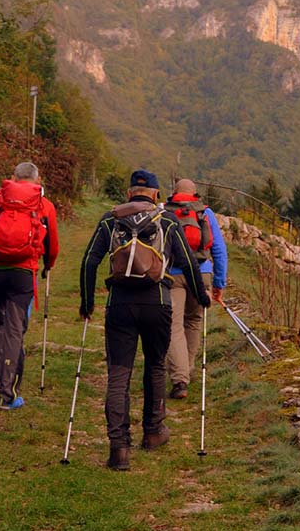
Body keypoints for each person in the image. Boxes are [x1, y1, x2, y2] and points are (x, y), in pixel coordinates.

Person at [79, 170, 210, 471]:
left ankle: (119, 449)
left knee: (119, 374)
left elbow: (89, 261)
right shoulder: (166, 221)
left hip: (119, 305)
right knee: (154, 365)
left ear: (129, 193)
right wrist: (201, 297)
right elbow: (189, 262)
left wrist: (87, 302)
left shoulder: (110, 220)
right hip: (158, 302)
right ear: (154, 194)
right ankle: (153, 432)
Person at [0, 162, 59, 410]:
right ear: (38, 180)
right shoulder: (44, 205)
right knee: (14, 329)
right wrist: (47, 265)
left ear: (13, 178)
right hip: (22, 271)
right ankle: (9, 395)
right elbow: (52, 245)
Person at [164, 179, 228, 399]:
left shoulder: (165, 211)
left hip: (172, 273)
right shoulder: (205, 213)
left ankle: (179, 379)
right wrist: (219, 283)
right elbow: (219, 249)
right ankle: (187, 369)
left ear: (174, 193)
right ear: (195, 194)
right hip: (201, 272)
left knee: (173, 326)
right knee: (193, 321)